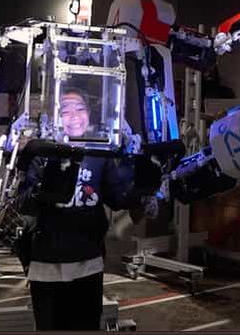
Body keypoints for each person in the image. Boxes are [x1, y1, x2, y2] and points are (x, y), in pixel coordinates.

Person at [17, 87, 145, 331]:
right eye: (65, 110)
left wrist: (141, 187)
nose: (74, 115)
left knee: (86, 326)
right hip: (47, 266)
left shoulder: (98, 152)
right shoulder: (42, 153)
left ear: (90, 114)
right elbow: (24, 203)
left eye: (80, 108)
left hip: (88, 261)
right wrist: (43, 191)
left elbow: (118, 197)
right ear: (55, 116)